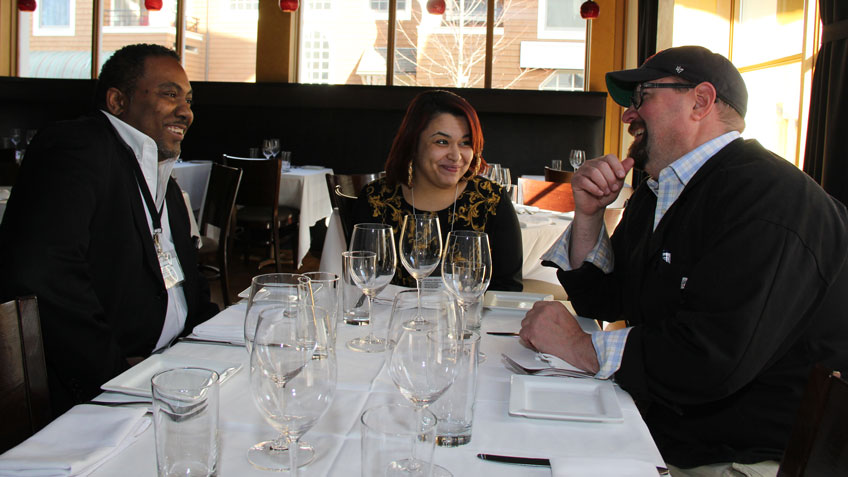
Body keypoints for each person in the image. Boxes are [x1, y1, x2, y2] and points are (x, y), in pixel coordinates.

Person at [518, 46, 848, 475]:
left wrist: (583, 347)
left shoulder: (768, 199)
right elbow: (603, 300)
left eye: (643, 97)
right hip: (664, 426)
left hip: (745, 458)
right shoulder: (663, 191)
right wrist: (588, 214)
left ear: (701, 101)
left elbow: (710, 361)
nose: (628, 115)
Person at [0, 44, 219, 416]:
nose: (186, 112)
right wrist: (115, 377)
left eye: (188, 99)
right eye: (169, 94)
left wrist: (214, 344)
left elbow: (186, 273)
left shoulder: (159, 169)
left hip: (175, 370)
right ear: (117, 101)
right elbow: (45, 276)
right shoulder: (76, 146)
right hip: (110, 393)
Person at [351, 89, 522, 291]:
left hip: (469, 321)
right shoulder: (376, 199)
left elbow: (508, 288)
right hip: (390, 320)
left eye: (465, 143)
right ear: (413, 144)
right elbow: (361, 281)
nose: (456, 155)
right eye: (442, 142)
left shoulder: (491, 200)